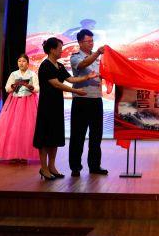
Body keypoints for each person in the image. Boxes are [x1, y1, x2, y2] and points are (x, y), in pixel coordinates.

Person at [33, 37, 96, 181]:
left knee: (54, 136)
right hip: (46, 106)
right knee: (45, 137)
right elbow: (56, 84)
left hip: (57, 105)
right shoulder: (45, 65)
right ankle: (44, 168)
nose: (62, 51)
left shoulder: (59, 66)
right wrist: (76, 91)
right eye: (60, 48)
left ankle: (52, 167)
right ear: (52, 50)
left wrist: (87, 77)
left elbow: (70, 79)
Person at [0, 54, 40, 161]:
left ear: (28, 63)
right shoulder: (14, 74)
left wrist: (30, 87)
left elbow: (37, 88)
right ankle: (12, 154)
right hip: (15, 102)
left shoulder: (32, 74)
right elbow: (7, 88)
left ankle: (24, 155)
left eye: (23, 61)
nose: (21, 63)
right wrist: (13, 86)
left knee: (27, 128)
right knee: (13, 128)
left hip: (28, 102)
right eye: (19, 61)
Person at [69, 29, 107, 177]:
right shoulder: (75, 57)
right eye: (88, 41)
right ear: (80, 42)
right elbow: (84, 64)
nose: (91, 43)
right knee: (78, 135)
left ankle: (94, 166)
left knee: (96, 135)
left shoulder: (98, 58)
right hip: (81, 100)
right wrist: (97, 53)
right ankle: (75, 167)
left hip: (96, 99)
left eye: (92, 40)